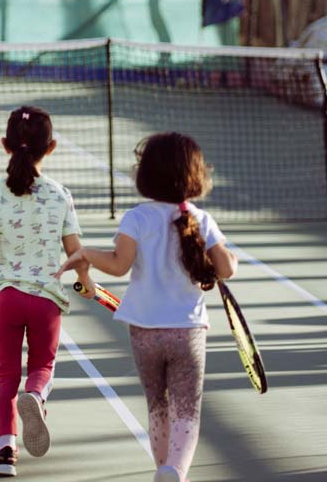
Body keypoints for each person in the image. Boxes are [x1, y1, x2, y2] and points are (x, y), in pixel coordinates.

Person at [57, 133, 238, 482]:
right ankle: (175, 472)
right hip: (187, 331)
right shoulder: (201, 219)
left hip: (143, 330)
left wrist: (85, 254)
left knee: (158, 404)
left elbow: (118, 265)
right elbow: (226, 269)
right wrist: (230, 257)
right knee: (187, 409)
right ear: (195, 175)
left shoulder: (136, 218)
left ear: (146, 175)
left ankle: (161, 470)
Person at [0, 107, 92, 478]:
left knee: (5, 374)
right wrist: (88, 281)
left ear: (5, 145)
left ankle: (5, 450)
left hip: (7, 298)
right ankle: (36, 395)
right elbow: (75, 249)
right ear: (51, 148)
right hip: (46, 298)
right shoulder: (60, 195)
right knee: (42, 367)